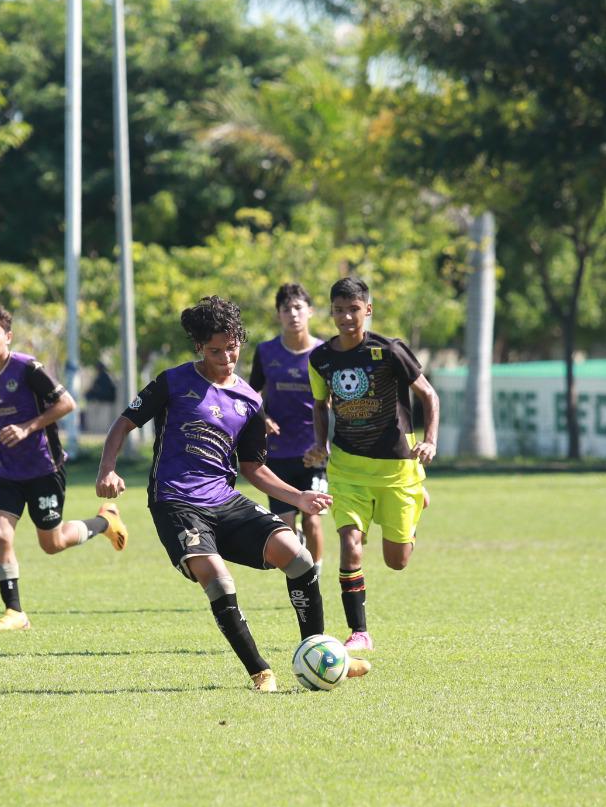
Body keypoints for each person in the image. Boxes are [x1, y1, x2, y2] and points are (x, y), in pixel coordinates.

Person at [96, 295, 370, 693]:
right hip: (176, 503)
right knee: (219, 580)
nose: (226, 357)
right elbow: (124, 422)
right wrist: (108, 468)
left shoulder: (250, 400)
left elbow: (253, 468)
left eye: (232, 348)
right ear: (199, 348)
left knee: (299, 557)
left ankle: (321, 654)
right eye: (215, 350)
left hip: (224, 499)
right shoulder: (173, 382)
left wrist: (298, 498)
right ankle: (261, 672)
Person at [0, 303, 127, 631]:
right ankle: (15, 612)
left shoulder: (27, 368)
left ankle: (105, 522)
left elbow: (66, 404)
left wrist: (27, 428)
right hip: (7, 470)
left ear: (8, 336)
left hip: (44, 467)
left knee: (53, 543)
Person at [305, 276, 439, 653]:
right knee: (350, 544)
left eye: (353, 309)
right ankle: (359, 632)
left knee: (397, 562)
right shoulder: (321, 358)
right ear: (331, 312)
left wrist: (429, 441)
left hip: (398, 468)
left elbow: (429, 395)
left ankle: (415, 499)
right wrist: (320, 445)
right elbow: (320, 405)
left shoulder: (389, 350)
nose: (346, 317)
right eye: (339, 310)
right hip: (348, 469)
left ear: (368, 310)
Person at [247, 282, 326, 557]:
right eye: (286, 309)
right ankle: (301, 576)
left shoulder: (324, 352)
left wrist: (326, 444)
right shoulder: (266, 352)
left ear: (310, 312)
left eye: (298, 308)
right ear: (278, 314)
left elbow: (336, 402)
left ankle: (314, 578)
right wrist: (262, 419)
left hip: (314, 454)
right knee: (286, 527)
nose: (293, 314)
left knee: (313, 519)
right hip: (278, 453)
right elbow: (250, 394)